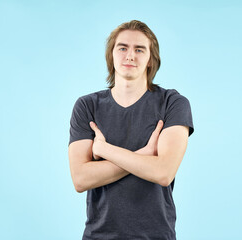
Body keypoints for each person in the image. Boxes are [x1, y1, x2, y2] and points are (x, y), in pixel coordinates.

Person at [68, 20, 194, 240]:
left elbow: (163, 172)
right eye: (123, 48)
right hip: (99, 236)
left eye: (139, 49)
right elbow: (80, 178)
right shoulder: (87, 106)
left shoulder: (172, 103)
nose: (130, 56)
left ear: (150, 59)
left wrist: (105, 150)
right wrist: (144, 156)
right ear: (112, 54)